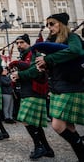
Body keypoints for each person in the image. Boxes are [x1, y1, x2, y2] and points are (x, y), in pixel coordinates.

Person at [34, 13, 84, 161]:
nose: (49, 27)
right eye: (48, 24)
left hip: (70, 85)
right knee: (69, 127)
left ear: (61, 24)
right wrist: (45, 66)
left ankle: (81, 146)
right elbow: (59, 63)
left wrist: (48, 59)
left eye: (52, 24)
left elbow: (76, 51)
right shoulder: (53, 40)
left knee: (57, 125)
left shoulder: (72, 37)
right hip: (58, 85)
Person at [10, 33, 54, 160]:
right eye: (17, 43)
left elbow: (36, 70)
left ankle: (38, 146)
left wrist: (20, 75)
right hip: (28, 90)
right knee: (35, 123)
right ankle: (47, 149)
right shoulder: (23, 56)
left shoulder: (35, 53)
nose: (19, 45)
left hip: (34, 91)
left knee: (25, 119)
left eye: (22, 42)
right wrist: (16, 76)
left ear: (28, 43)